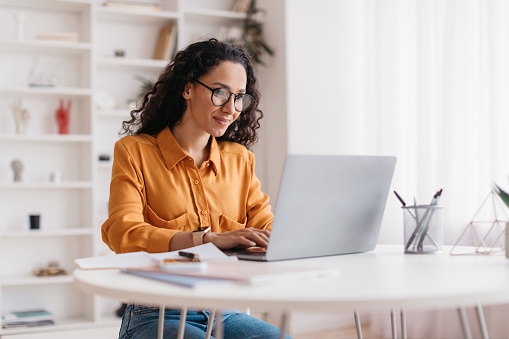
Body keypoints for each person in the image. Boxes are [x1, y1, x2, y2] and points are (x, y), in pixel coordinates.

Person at [101, 38, 292, 339]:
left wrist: (295, 237)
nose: (231, 108)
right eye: (220, 93)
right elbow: (122, 232)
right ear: (188, 88)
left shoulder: (239, 161)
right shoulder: (134, 151)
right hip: (155, 312)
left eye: (239, 97)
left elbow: (266, 229)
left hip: (224, 310)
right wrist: (206, 240)